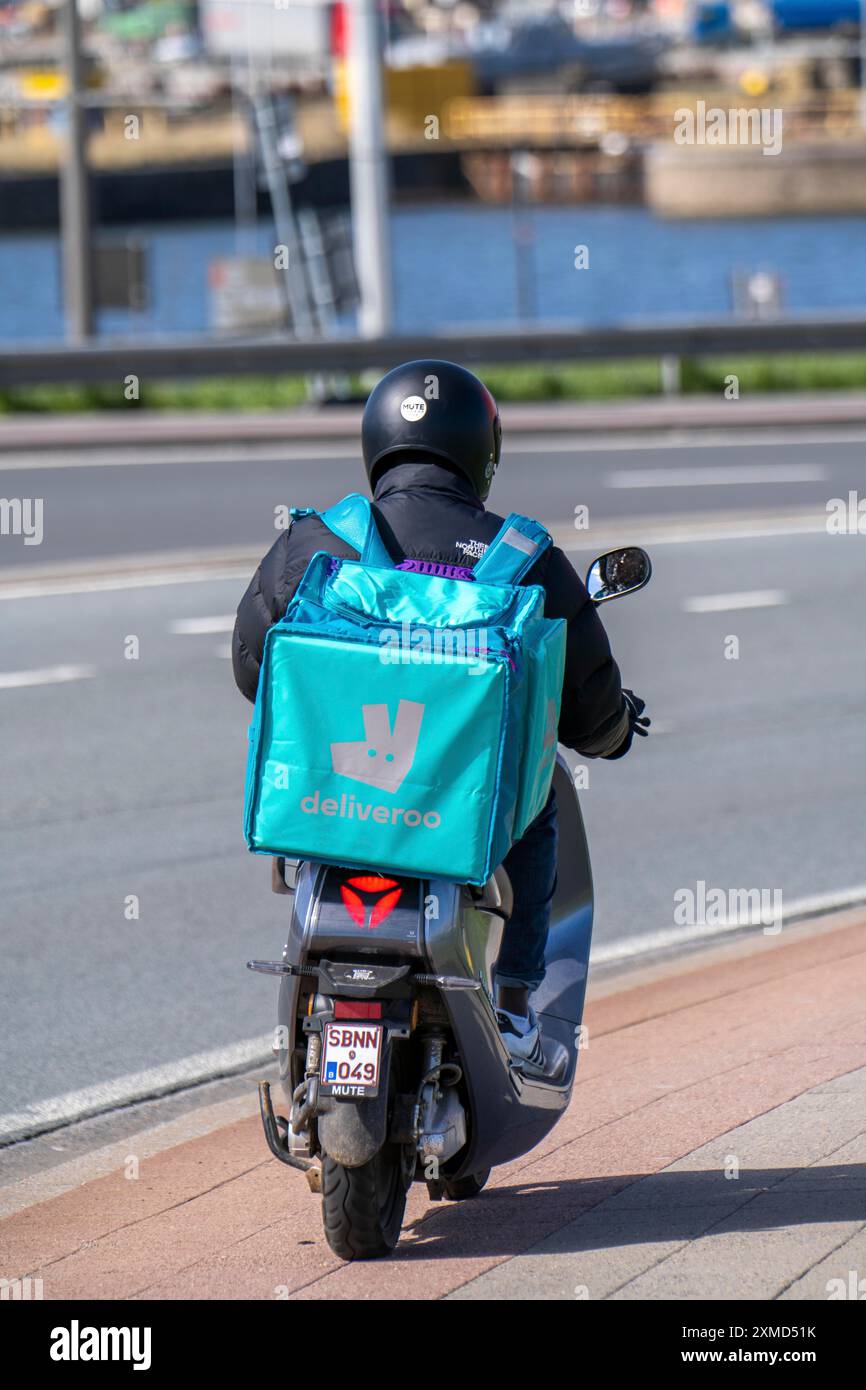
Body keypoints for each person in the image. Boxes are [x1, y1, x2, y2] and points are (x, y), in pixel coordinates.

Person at [233, 360, 648, 1081]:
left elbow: (251, 670)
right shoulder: (524, 559)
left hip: (338, 798)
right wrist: (614, 729)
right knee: (538, 799)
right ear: (482, 453)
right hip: (454, 813)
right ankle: (517, 1005)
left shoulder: (317, 539)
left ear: (376, 443)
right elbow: (582, 702)